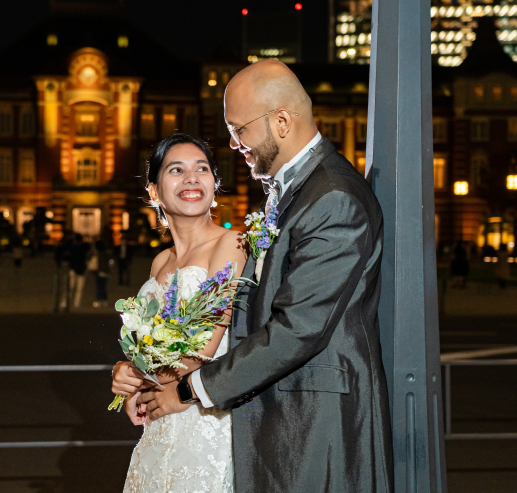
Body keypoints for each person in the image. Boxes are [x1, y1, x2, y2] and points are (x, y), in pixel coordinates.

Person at [113, 60, 392, 492]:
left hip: (314, 423)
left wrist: (186, 390)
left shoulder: (333, 197)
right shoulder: (291, 193)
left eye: (239, 129)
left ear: (281, 121)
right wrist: (141, 375)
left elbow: (298, 328)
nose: (232, 142)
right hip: (267, 411)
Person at [112, 133, 246, 492]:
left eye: (202, 169)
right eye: (177, 169)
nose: (192, 178)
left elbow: (202, 346)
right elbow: (152, 344)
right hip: (160, 426)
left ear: (214, 185)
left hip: (203, 422)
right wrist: (124, 373)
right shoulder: (160, 261)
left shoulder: (230, 244)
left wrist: (140, 380)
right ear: (154, 191)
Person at [68, 233, 90, 309]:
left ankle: (66, 301)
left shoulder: (72, 247)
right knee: (79, 288)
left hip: (73, 269)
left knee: (70, 286)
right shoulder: (84, 247)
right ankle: (77, 302)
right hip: (81, 269)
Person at [92, 240, 113, 308]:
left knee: (99, 287)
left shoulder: (99, 254)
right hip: (105, 273)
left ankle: (100, 301)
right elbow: (110, 263)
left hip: (100, 272)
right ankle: (104, 301)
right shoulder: (106, 253)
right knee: (103, 287)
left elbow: (100, 264)